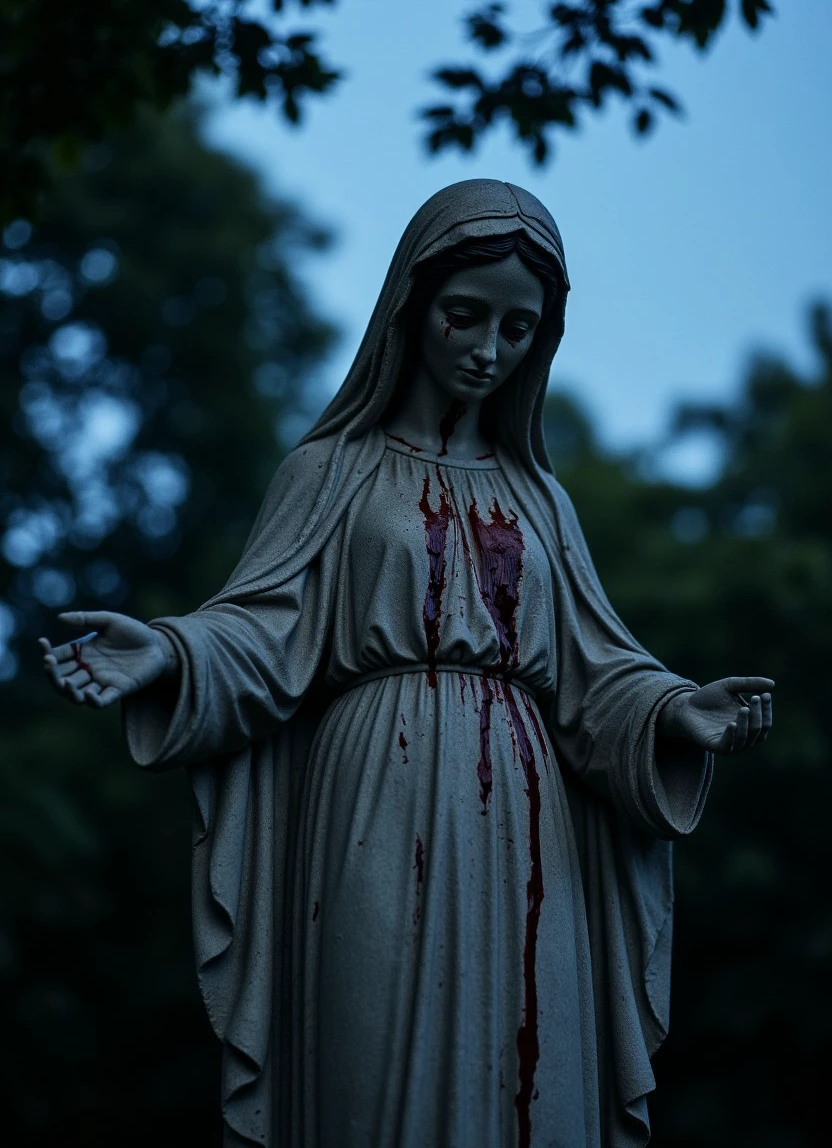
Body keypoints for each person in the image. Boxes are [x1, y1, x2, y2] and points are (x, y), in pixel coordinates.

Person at [40, 179, 773, 1148]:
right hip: (372, 798)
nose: (487, 350)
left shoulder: (540, 499)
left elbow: (595, 675)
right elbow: (264, 634)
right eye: (465, 316)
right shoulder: (332, 470)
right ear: (409, 307)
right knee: (369, 1066)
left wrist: (676, 713)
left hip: (525, 813)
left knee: (529, 1064)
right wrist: (173, 651)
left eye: (518, 329)